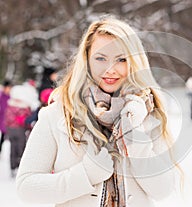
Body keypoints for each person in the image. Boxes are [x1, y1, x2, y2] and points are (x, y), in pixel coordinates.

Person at [16, 16, 177, 207]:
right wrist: (85, 175)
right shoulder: (58, 114)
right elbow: (26, 187)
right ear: (87, 60)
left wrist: (136, 140)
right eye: (101, 58)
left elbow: (163, 190)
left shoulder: (147, 114)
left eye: (121, 59)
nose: (110, 69)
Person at [5, 85, 31, 177]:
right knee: (21, 148)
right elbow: (27, 119)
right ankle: (19, 167)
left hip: (11, 130)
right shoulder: (24, 106)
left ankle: (12, 167)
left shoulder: (10, 105)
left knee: (13, 148)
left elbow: (7, 118)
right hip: (20, 130)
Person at [0, 80, 12, 155]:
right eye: (8, 87)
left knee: (3, 136)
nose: (9, 89)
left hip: (6, 119)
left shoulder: (10, 97)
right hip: (1, 116)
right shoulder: (1, 96)